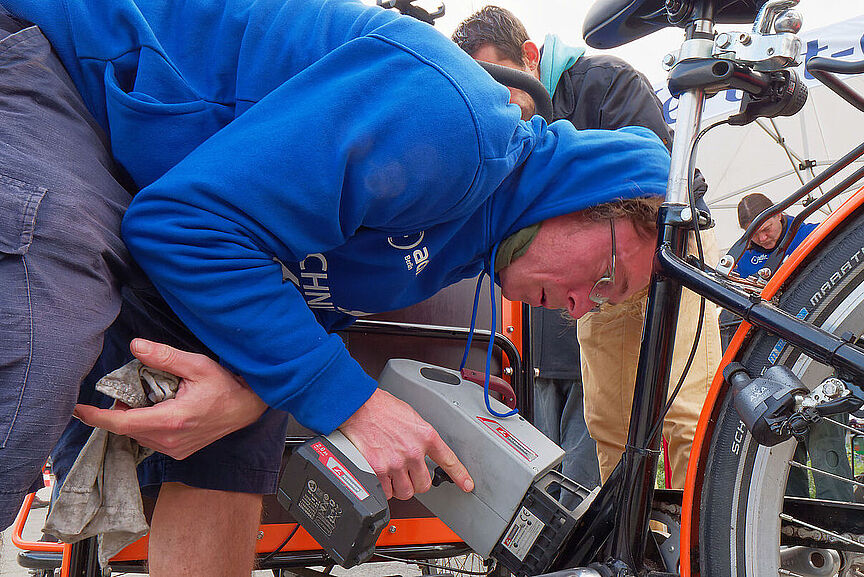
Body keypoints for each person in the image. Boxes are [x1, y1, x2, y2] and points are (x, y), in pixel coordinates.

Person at [0, 0, 671, 574]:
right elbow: (182, 226)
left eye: (604, 302)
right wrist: (354, 401)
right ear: (592, 196)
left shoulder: (465, 245)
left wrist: (253, 389)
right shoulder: (460, 125)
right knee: (44, 320)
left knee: (239, 432)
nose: (583, 304)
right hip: (60, 59)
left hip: (159, 172)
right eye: (605, 276)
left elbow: (293, 295)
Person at [452, 6, 721, 488]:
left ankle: (698, 550)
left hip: (672, 246)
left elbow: (658, 184)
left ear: (530, 57)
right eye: (482, 91)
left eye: (503, 83)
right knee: (609, 420)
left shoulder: (604, 80)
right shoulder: (500, 128)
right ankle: (631, 550)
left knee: (686, 414)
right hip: (593, 272)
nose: (501, 104)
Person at [730, 192, 851, 501]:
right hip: (774, 366)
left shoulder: (812, 233)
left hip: (817, 355)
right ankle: (792, 525)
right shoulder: (742, 257)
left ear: (779, 214)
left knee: (826, 444)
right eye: (754, 232)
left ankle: (837, 518)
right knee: (781, 454)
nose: (762, 236)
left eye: (766, 227)